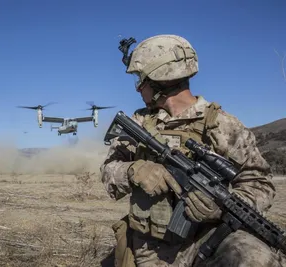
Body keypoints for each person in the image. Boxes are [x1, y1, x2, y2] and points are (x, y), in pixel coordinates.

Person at [100, 34, 285, 267]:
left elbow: (259, 182)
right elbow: (108, 172)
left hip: (206, 242)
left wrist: (219, 209)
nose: (138, 89)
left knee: (255, 258)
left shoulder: (222, 125)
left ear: (160, 80)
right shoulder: (139, 123)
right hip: (148, 247)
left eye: (141, 79)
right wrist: (133, 171)